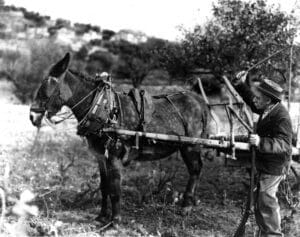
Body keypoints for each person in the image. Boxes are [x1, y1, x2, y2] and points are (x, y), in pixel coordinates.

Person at [233, 71, 293, 237]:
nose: (255, 99)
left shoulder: (281, 116)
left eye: (258, 97)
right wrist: (240, 84)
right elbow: (251, 101)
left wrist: (260, 142)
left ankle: (273, 235)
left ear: (268, 100)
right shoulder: (267, 108)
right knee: (260, 201)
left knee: (266, 200)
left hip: (275, 165)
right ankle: (265, 233)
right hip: (264, 162)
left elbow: (285, 145)